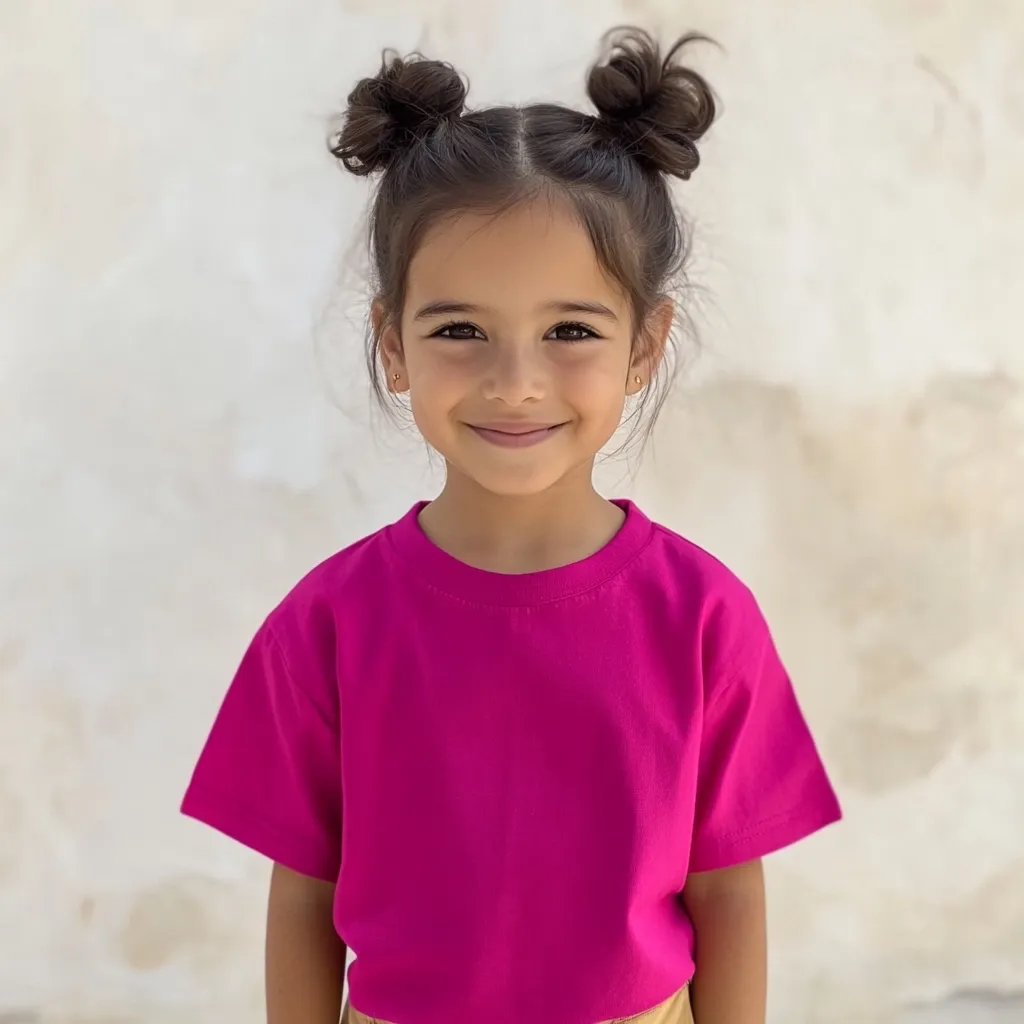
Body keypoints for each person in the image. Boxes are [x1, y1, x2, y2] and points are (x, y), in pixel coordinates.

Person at [181, 27, 841, 1024]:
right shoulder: (329, 622)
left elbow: (727, 889)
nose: (515, 381)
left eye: (570, 329)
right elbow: (304, 894)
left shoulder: (704, 617)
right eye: (459, 330)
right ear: (393, 343)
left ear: (645, 344)